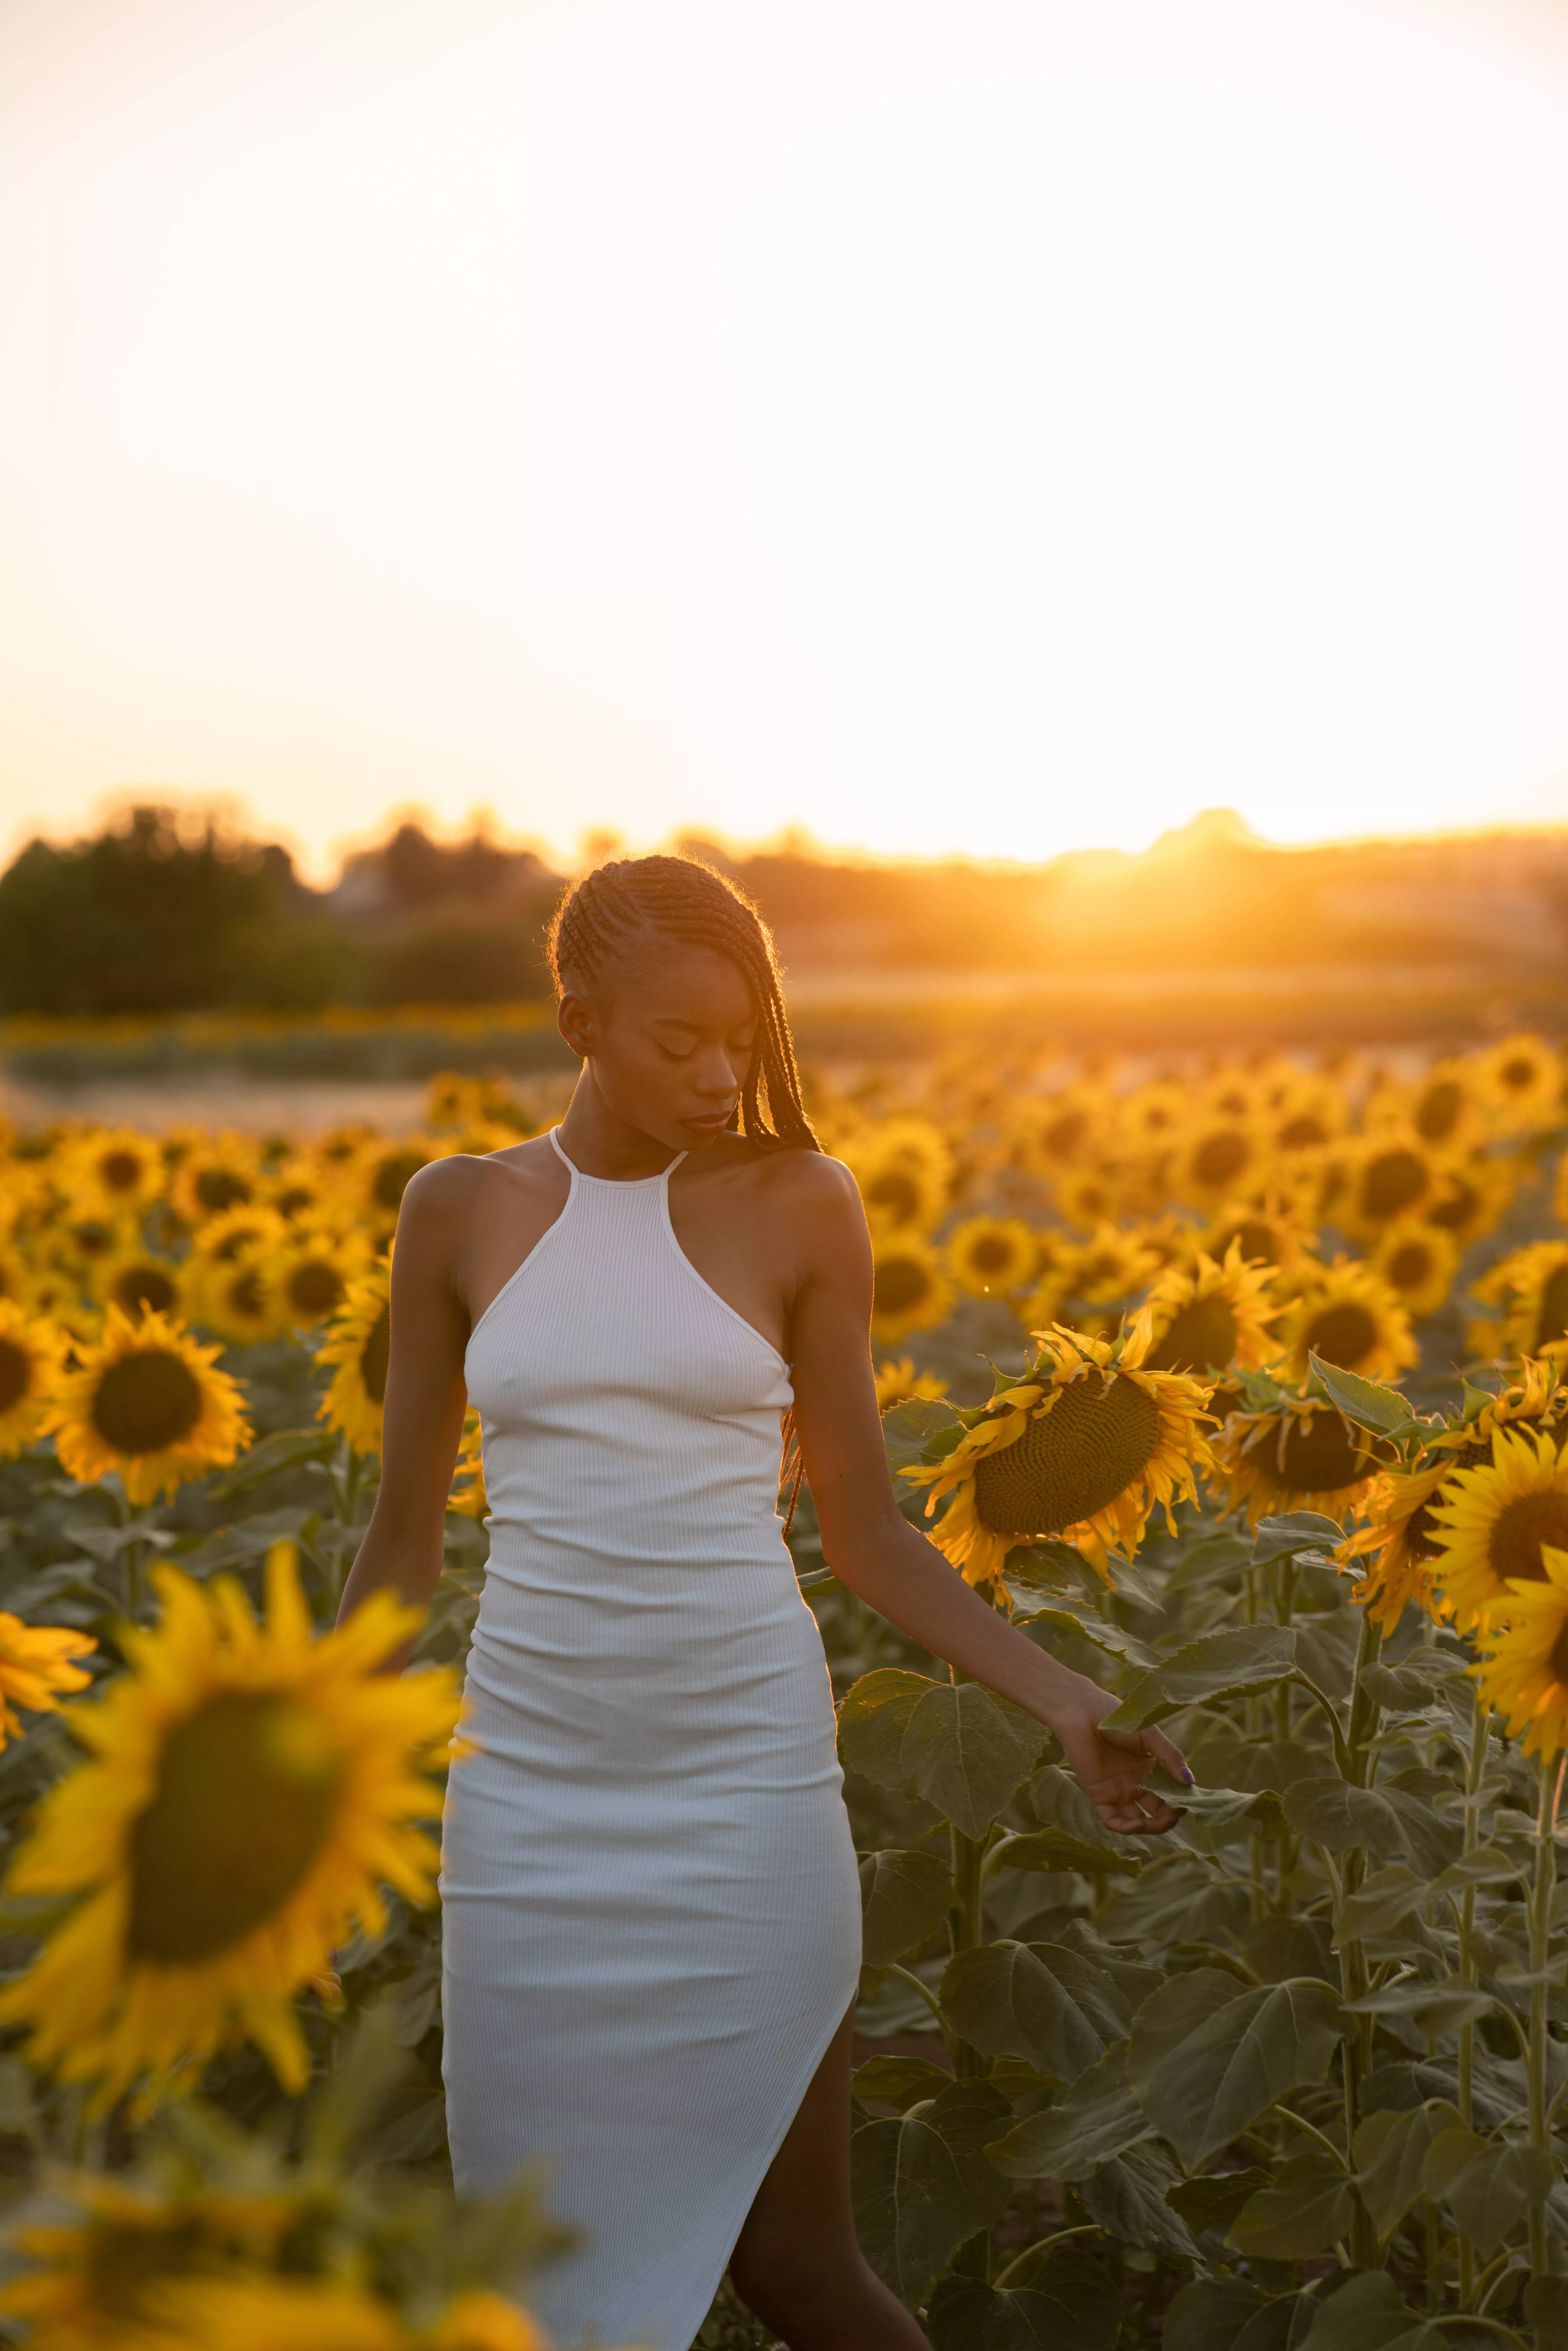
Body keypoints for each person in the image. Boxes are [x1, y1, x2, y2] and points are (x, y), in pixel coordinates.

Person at [336, 854, 1191, 2351]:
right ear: (579, 1022)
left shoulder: (804, 1203)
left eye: (742, 1038)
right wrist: (292, 1767)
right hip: (528, 1811)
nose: (722, 1076)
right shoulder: (457, 1210)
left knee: (800, 2270)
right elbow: (401, 1544)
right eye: (680, 1041)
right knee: (519, 2292)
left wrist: (1069, 1701)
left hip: (745, 1794)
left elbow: (869, 1535)